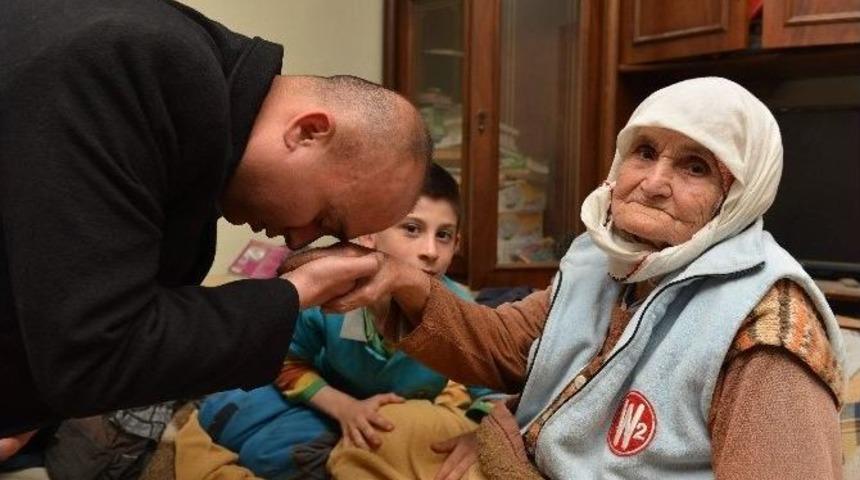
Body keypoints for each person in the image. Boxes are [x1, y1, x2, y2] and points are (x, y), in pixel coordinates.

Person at [284, 77, 846, 479]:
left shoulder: (767, 331)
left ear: (739, 198)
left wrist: (499, 436)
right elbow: (510, 349)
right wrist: (399, 280)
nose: (651, 182)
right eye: (644, 151)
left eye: (694, 167)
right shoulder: (607, 259)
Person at [0, 0, 430, 442]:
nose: (302, 239)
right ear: (307, 131)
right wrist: (296, 293)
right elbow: (98, 352)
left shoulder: (186, 80)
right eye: (325, 218)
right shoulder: (138, 61)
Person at [187, 163, 499, 479]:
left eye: (443, 235)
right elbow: (286, 360)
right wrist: (345, 409)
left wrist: (478, 438)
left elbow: (497, 391)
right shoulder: (332, 290)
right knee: (225, 408)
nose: (430, 251)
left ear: (456, 244)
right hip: (329, 398)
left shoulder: (460, 309)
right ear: (369, 236)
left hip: (391, 421)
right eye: (412, 229)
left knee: (270, 452)